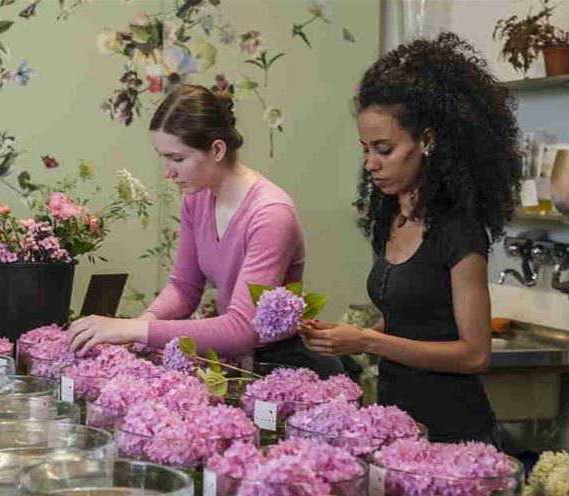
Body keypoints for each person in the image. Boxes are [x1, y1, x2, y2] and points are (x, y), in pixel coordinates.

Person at [300, 33, 523, 445]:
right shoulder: (389, 217)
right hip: (396, 424)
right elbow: (414, 322)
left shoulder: (458, 232)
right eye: (366, 149)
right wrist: (343, 339)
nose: (371, 163)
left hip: (452, 434)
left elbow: (475, 354)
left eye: (384, 149)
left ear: (428, 140)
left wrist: (368, 339)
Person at [67, 84, 342, 377]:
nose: (167, 172)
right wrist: (140, 325)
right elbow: (184, 289)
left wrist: (135, 329)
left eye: (177, 158)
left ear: (217, 150)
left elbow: (241, 329)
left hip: (282, 368)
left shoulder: (271, 214)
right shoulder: (197, 198)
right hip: (236, 363)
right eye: (163, 157)